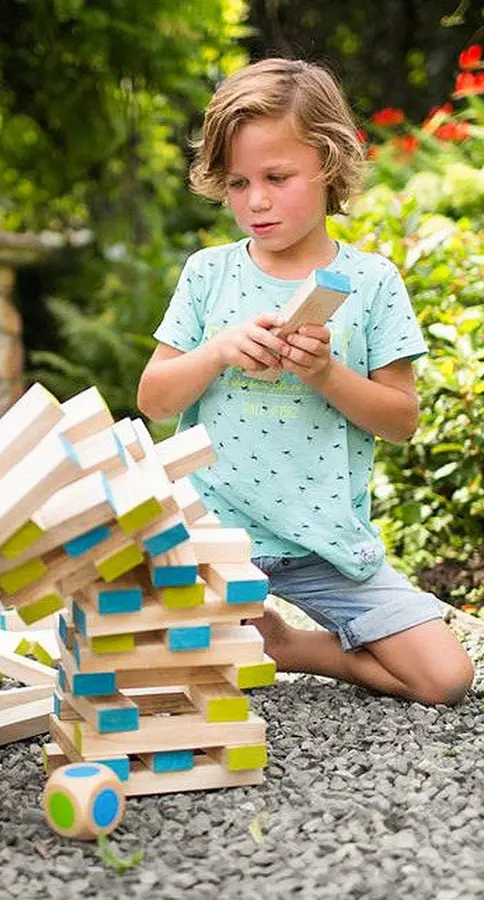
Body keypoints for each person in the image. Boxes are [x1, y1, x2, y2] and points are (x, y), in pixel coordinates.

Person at [138, 58, 474, 706]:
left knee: (446, 678)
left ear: (326, 162)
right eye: (237, 183)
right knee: (158, 673)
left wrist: (326, 374)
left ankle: (287, 647)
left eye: (276, 177)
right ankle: (240, 633)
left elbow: (401, 421)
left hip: (324, 543)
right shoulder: (209, 273)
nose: (255, 201)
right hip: (212, 538)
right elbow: (153, 399)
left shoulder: (373, 282)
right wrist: (217, 352)